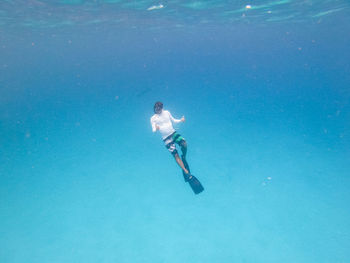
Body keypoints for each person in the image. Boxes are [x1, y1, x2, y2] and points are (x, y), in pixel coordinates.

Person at [150, 101, 192, 179]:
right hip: (166, 138)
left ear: (161, 108)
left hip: (173, 133)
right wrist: (156, 129)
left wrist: (181, 120)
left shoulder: (166, 112)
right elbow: (153, 129)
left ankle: (184, 156)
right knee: (175, 154)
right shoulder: (153, 118)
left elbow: (174, 120)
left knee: (184, 143)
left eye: (159, 109)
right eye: (156, 109)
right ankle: (185, 171)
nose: (157, 110)